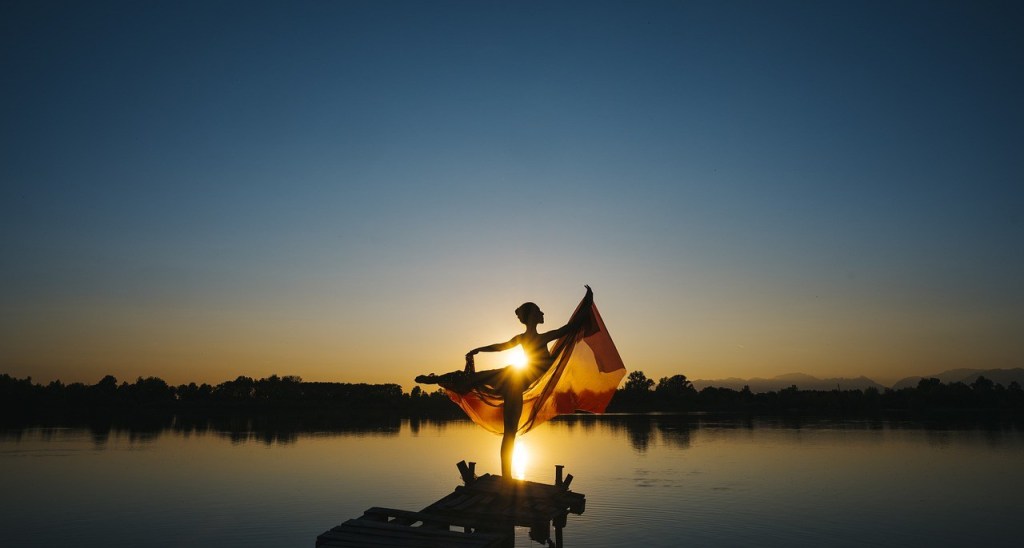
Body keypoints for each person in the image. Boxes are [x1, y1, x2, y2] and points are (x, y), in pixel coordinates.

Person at [418, 285, 593, 478]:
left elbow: (504, 346)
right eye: (539, 311)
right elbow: (568, 329)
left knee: (485, 392)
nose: (543, 313)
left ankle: (436, 379)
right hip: (514, 379)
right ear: (533, 317)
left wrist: (587, 303)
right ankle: (436, 379)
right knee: (507, 429)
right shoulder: (542, 337)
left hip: (514, 380)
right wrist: (588, 302)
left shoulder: (528, 338)